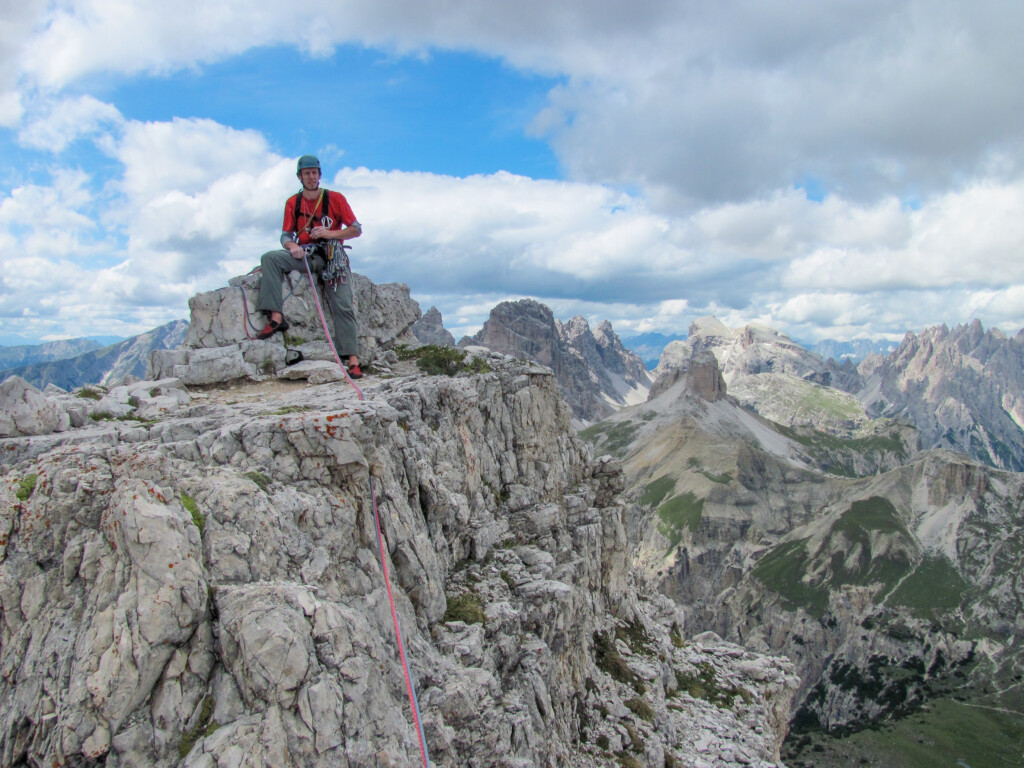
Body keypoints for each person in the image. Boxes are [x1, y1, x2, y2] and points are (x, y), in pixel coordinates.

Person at [256, 154, 364, 378]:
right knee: (270, 258)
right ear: (300, 176)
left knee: (342, 304)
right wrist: (291, 245)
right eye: (307, 173)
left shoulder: (335, 199)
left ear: (319, 175)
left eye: (314, 173)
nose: (311, 177)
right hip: (306, 254)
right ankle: (276, 318)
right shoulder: (292, 203)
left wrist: (329, 233)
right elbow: (286, 234)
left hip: (334, 256)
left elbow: (355, 229)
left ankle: (352, 359)